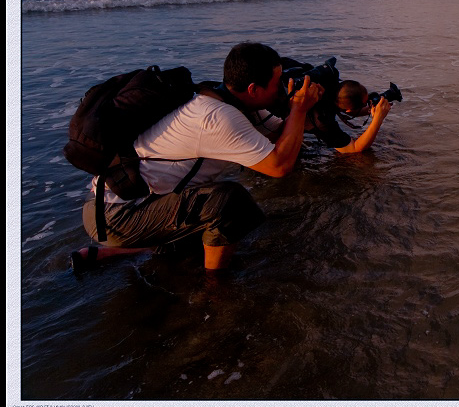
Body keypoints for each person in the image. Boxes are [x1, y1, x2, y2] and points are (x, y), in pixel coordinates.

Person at [72, 42, 324, 273]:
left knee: (212, 225)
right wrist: (299, 109)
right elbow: (279, 165)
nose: (282, 89)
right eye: (278, 83)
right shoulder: (216, 116)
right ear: (253, 89)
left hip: (128, 200)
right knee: (230, 203)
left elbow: (283, 135)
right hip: (117, 214)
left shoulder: (229, 100)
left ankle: (119, 253)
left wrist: (303, 109)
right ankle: (214, 286)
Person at [330, 80, 393, 154]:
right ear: (348, 110)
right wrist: (378, 119)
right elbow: (353, 149)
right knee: (356, 158)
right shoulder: (321, 120)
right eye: (365, 104)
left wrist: (375, 108)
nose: (368, 104)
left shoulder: (333, 90)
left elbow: (347, 109)